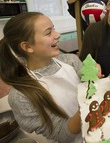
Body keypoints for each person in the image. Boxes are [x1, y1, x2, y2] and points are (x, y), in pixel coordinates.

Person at [0, 12, 82, 142]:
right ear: (27, 46)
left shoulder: (71, 61)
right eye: (49, 32)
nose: (58, 35)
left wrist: (94, 78)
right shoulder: (21, 96)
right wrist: (88, 106)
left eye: (53, 28)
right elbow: (61, 134)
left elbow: (91, 86)